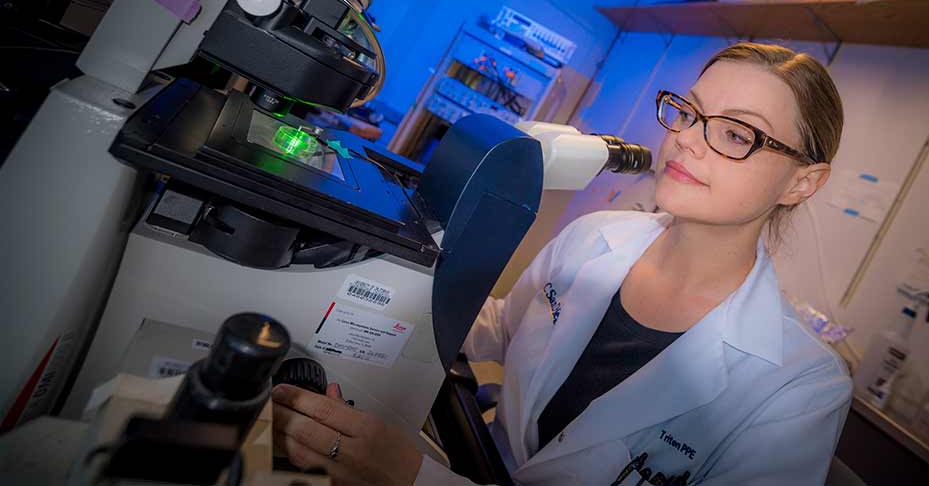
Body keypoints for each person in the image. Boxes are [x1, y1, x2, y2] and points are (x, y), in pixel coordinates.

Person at [272, 42, 852, 486]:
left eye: (736, 133)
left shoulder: (801, 385)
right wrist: (359, 292)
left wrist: (414, 477)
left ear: (803, 181)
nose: (688, 141)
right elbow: (498, 328)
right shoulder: (596, 236)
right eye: (689, 112)